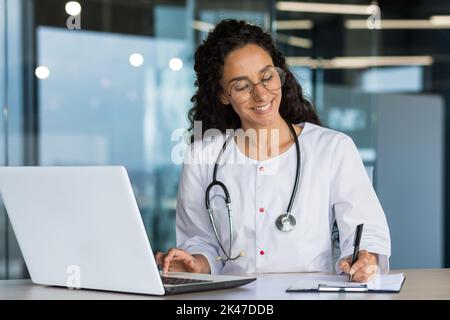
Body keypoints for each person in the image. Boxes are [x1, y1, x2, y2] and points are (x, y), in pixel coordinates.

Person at [155, 19, 391, 283]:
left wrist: (364, 258)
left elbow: (365, 231)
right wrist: (193, 265)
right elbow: (200, 242)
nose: (261, 94)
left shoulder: (332, 148)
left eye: (267, 77)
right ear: (223, 94)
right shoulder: (203, 156)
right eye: (242, 86)